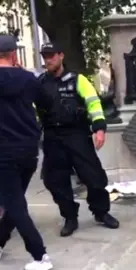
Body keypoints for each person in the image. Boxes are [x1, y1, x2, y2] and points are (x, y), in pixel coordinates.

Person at [38, 43, 119, 237]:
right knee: (55, 181)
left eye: (51, 55)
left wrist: (99, 128)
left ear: (61, 56)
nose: (48, 60)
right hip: (52, 137)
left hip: (77, 135)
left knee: (94, 177)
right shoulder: (39, 83)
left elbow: (94, 103)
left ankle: (101, 212)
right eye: (45, 56)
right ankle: (70, 217)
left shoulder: (78, 80)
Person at [0, 35, 53, 270]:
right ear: (14, 55)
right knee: (14, 201)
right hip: (29, 150)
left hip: (4, 151)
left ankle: (40, 255)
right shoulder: (28, 79)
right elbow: (46, 101)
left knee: (14, 204)